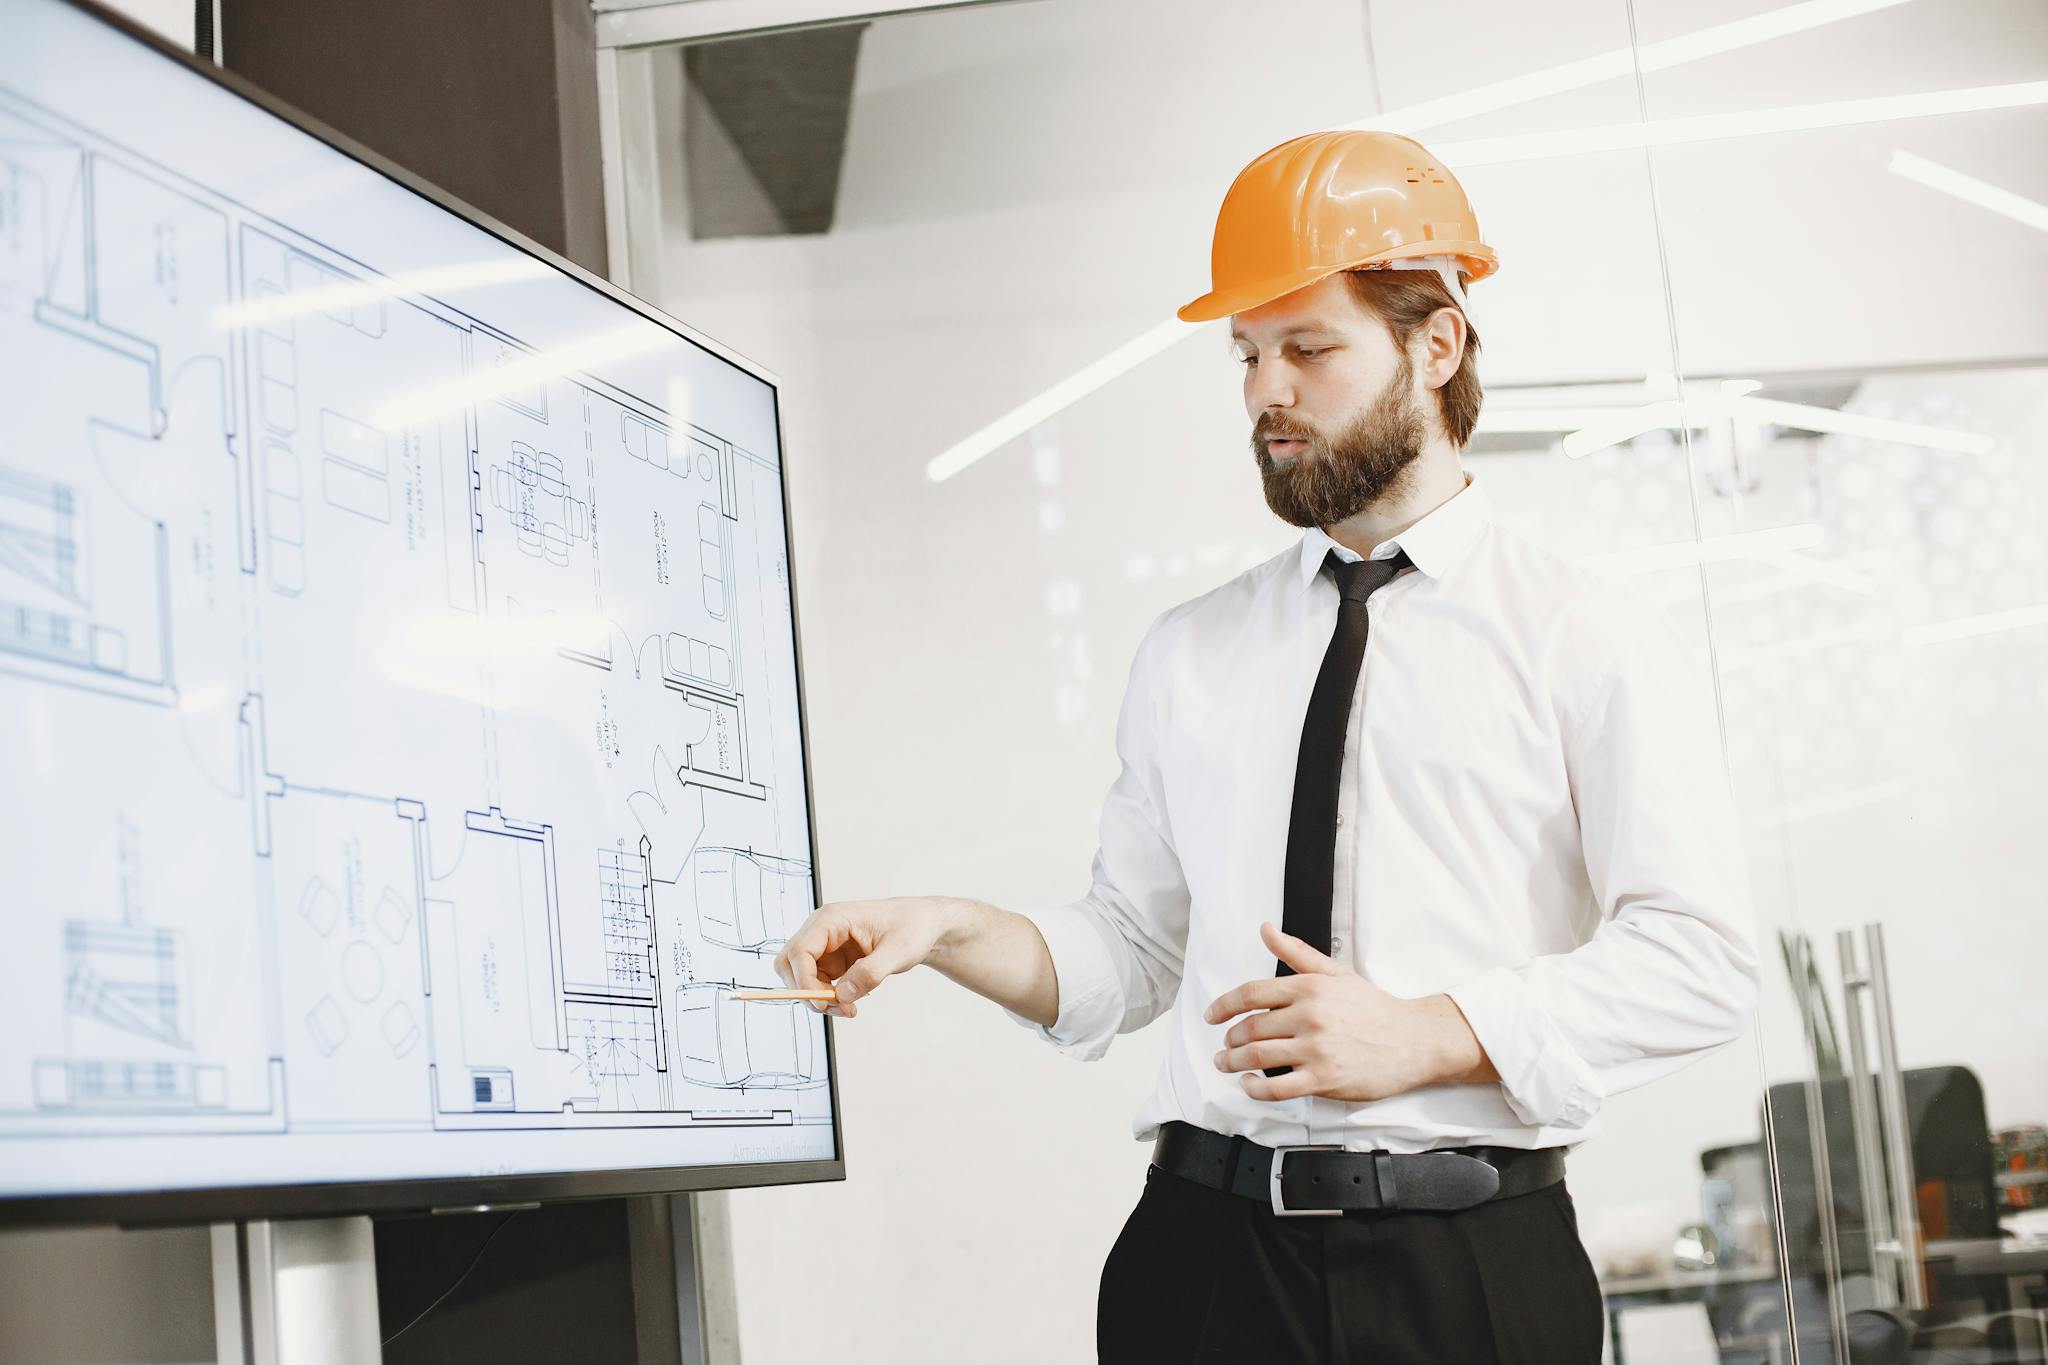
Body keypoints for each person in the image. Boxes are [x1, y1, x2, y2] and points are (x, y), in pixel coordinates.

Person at [775, 129, 1760, 1364]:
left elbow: (1699, 960)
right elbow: (1133, 955)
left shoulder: (1580, 633)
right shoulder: (1192, 650)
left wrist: (1432, 1029)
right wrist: (948, 928)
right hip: (1201, 1261)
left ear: (1434, 342)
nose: (1262, 393)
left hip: (1469, 1272)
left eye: (1307, 348)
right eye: (1245, 355)